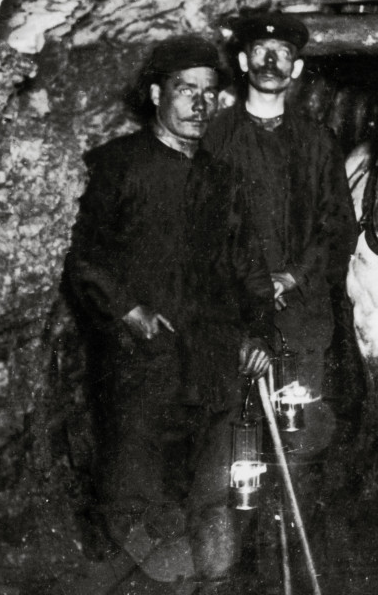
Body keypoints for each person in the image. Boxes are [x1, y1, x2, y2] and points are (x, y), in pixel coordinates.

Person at [64, 35, 273, 582]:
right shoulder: (115, 166)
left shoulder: (223, 179)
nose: (200, 104)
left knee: (215, 503)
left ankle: (207, 572)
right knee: (136, 498)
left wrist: (259, 333)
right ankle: (157, 576)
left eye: (209, 93)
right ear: (157, 93)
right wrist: (129, 310)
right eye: (186, 90)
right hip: (141, 363)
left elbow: (250, 269)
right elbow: (85, 259)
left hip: (210, 362)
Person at [200, 12, 356, 544]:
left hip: (301, 314)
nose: (272, 62)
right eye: (261, 53)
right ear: (243, 63)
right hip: (228, 312)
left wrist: (292, 276)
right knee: (225, 426)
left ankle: (287, 538)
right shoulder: (213, 136)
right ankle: (226, 545)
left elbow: (339, 225)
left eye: (283, 55)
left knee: (298, 430)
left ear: (298, 68)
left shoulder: (318, 142)